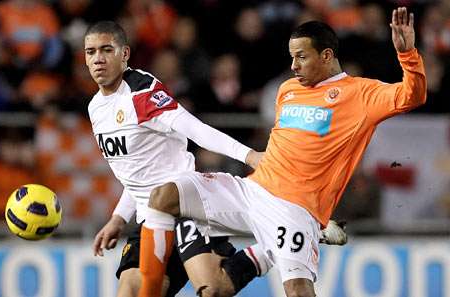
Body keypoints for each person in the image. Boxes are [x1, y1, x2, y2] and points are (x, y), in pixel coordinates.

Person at [138, 7, 426, 297]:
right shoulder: (287, 90)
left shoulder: (362, 94)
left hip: (295, 208)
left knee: (295, 291)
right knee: (165, 196)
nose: (293, 66)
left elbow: (412, 95)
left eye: (302, 57)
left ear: (326, 56)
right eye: (292, 57)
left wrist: (407, 53)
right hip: (251, 190)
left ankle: (287, 241)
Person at [84, 21, 346, 297]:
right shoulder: (96, 109)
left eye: (106, 50)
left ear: (124, 54)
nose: (98, 59)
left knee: (212, 290)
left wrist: (249, 155)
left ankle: (281, 242)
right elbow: (137, 171)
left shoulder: (141, 91)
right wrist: (118, 218)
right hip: (150, 218)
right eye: (90, 52)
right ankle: (274, 245)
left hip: (185, 208)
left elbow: (196, 129)